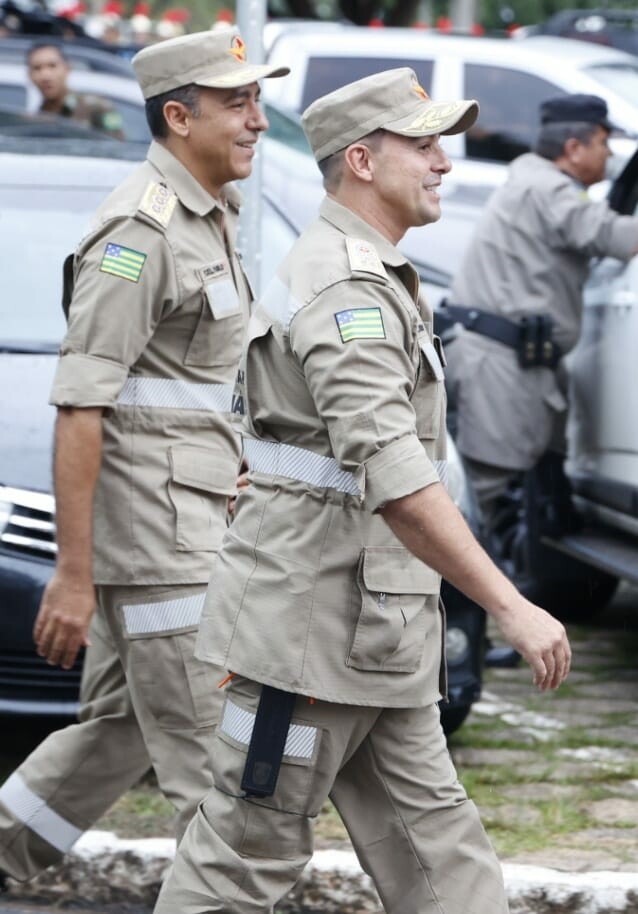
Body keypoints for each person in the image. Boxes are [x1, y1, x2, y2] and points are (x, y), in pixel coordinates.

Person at [153, 68, 571, 914]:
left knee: (442, 860)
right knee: (243, 859)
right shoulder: (348, 289)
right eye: (424, 145)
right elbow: (397, 479)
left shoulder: (372, 275)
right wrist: (510, 605)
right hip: (307, 640)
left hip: (376, 638)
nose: (443, 162)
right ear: (362, 162)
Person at [0, 27, 288, 886]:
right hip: (158, 545)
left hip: (190, 522)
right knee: (217, 769)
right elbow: (80, 406)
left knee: (120, 730)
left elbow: (184, 390)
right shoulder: (141, 231)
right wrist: (72, 575)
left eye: (258, 101)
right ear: (179, 117)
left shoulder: (212, 215)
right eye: (237, 103)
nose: (258, 120)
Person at [443, 94, 638, 533]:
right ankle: (452, 579)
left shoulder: (532, 179)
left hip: (508, 358)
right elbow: (610, 234)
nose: (608, 155)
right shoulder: (547, 188)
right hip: (500, 364)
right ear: (574, 148)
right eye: (603, 144)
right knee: (481, 497)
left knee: (507, 493)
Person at [26, 41, 125, 138]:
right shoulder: (39, 117)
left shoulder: (98, 107)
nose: (45, 76)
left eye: (52, 66)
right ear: (29, 75)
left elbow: (118, 144)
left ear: (67, 68)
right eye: (37, 68)